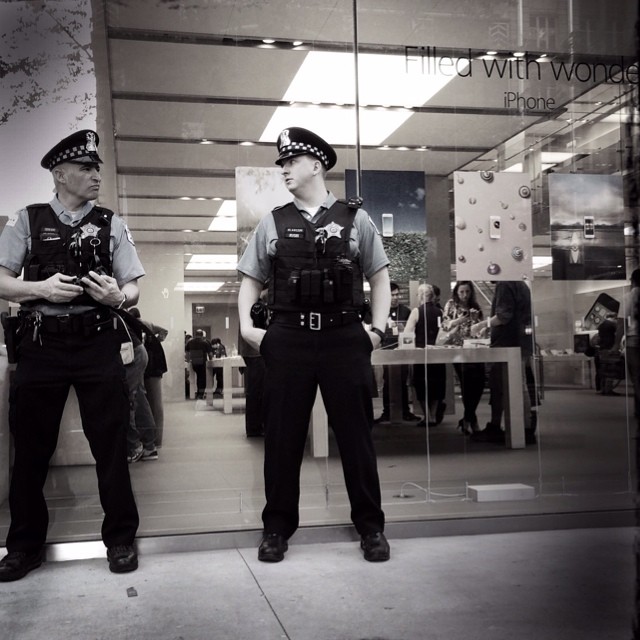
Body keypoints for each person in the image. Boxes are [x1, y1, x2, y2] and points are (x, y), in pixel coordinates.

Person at [237, 126, 391, 563]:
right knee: (281, 439)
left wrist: (377, 331)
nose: (284, 169)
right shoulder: (273, 221)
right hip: (288, 339)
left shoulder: (356, 219)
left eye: (291, 162)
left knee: (357, 438)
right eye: (282, 163)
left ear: (316, 165)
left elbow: (379, 277)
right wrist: (248, 328)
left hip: (344, 337)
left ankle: (371, 528)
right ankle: (276, 528)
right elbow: (251, 279)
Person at [0, 129, 143, 581]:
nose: (96, 174)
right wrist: (39, 288)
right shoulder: (28, 220)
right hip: (41, 344)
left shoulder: (111, 223)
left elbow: (133, 287)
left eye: (97, 167)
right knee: (31, 449)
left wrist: (118, 296)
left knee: (111, 446)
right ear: (60, 175)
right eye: (85, 168)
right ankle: (24, 546)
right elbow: (1, 280)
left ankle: (120, 539)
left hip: (97, 342)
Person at [470, 280, 536, 445]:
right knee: (515, 385)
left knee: (509, 386)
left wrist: (481, 325)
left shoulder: (505, 284)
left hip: (507, 345)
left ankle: (520, 430)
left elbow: (503, 316)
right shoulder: (521, 284)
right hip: (519, 342)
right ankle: (523, 427)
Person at [440, 281, 485, 435]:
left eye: (467, 292)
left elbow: (480, 327)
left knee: (479, 383)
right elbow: (445, 326)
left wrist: (479, 325)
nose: (465, 295)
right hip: (457, 349)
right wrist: (461, 320)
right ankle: (472, 420)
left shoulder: (475, 306)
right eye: (461, 292)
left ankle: (467, 418)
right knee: (467, 383)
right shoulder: (451, 305)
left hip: (474, 347)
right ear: (456, 292)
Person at [374, 282, 420, 423]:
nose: (395, 298)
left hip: (402, 349)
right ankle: (387, 411)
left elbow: (412, 330)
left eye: (397, 295)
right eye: (392, 295)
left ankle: (405, 410)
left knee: (403, 380)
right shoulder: (381, 311)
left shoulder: (405, 311)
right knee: (387, 381)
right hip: (387, 349)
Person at [404, 284, 446, 427]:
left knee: (421, 385)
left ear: (421, 296)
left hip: (421, 354)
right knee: (437, 385)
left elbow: (408, 333)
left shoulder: (416, 311)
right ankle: (433, 415)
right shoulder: (440, 312)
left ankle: (427, 416)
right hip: (437, 354)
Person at [128, 307, 168, 447]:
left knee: (149, 401)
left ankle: (154, 440)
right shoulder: (148, 324)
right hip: (155, 361)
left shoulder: (133, 323)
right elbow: (164, 331)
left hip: (148, 362)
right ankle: (157, 440)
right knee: (155, 401)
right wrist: (158, 339)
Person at [625, 269, 640, 419]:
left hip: (634, 340)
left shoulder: (630, 296)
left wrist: (616, 345)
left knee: (636, 378)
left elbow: (622, 321)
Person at [185, 329, 213, 399]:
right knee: (202, 378)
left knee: (198, 378)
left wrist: (188, 360)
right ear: (202, 335)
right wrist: (211, 360)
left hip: (194, 363)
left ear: (195, 334)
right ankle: (200, 394)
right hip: (202, 362)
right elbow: (210, 354)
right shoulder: (205, 342)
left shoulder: (190, 342)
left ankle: (198, 393)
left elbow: (187, 353)